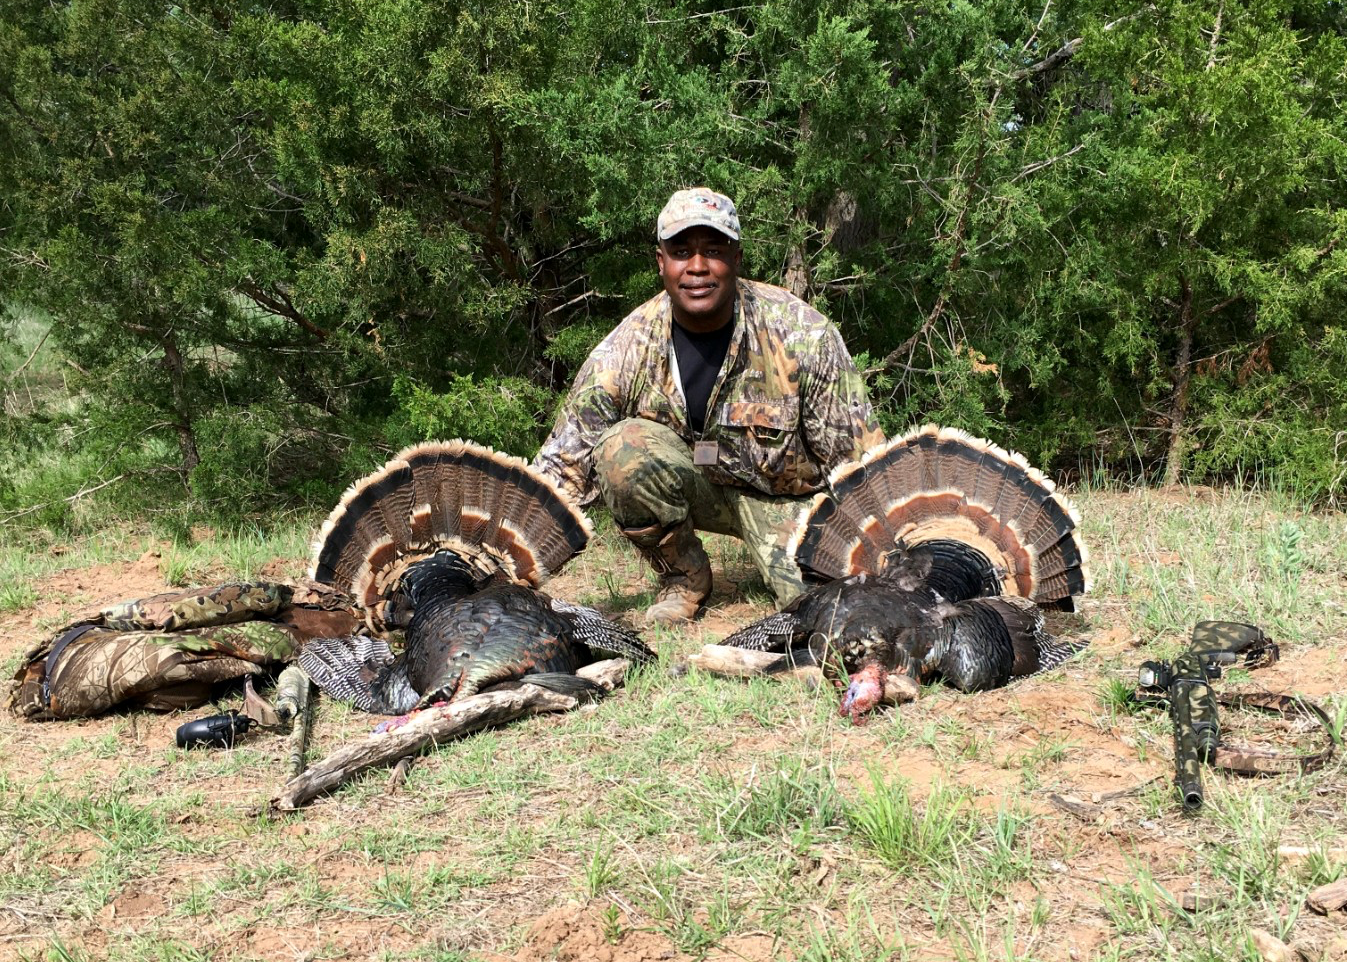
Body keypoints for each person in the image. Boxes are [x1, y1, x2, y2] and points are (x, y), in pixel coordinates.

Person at [533, 187, 883, 625]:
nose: (697, 267)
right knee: (622, 449)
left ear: (736, 258)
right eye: (681, 251)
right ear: (661, 262)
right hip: (698, 490)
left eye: (713, 250)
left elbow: (860, 464)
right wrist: (507, 568)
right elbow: (560, 465)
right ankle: (685, 576)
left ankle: (800, 570)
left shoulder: (802, 334)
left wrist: (888, 551)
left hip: (789, 504)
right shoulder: (629, 345)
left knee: (826, 609)